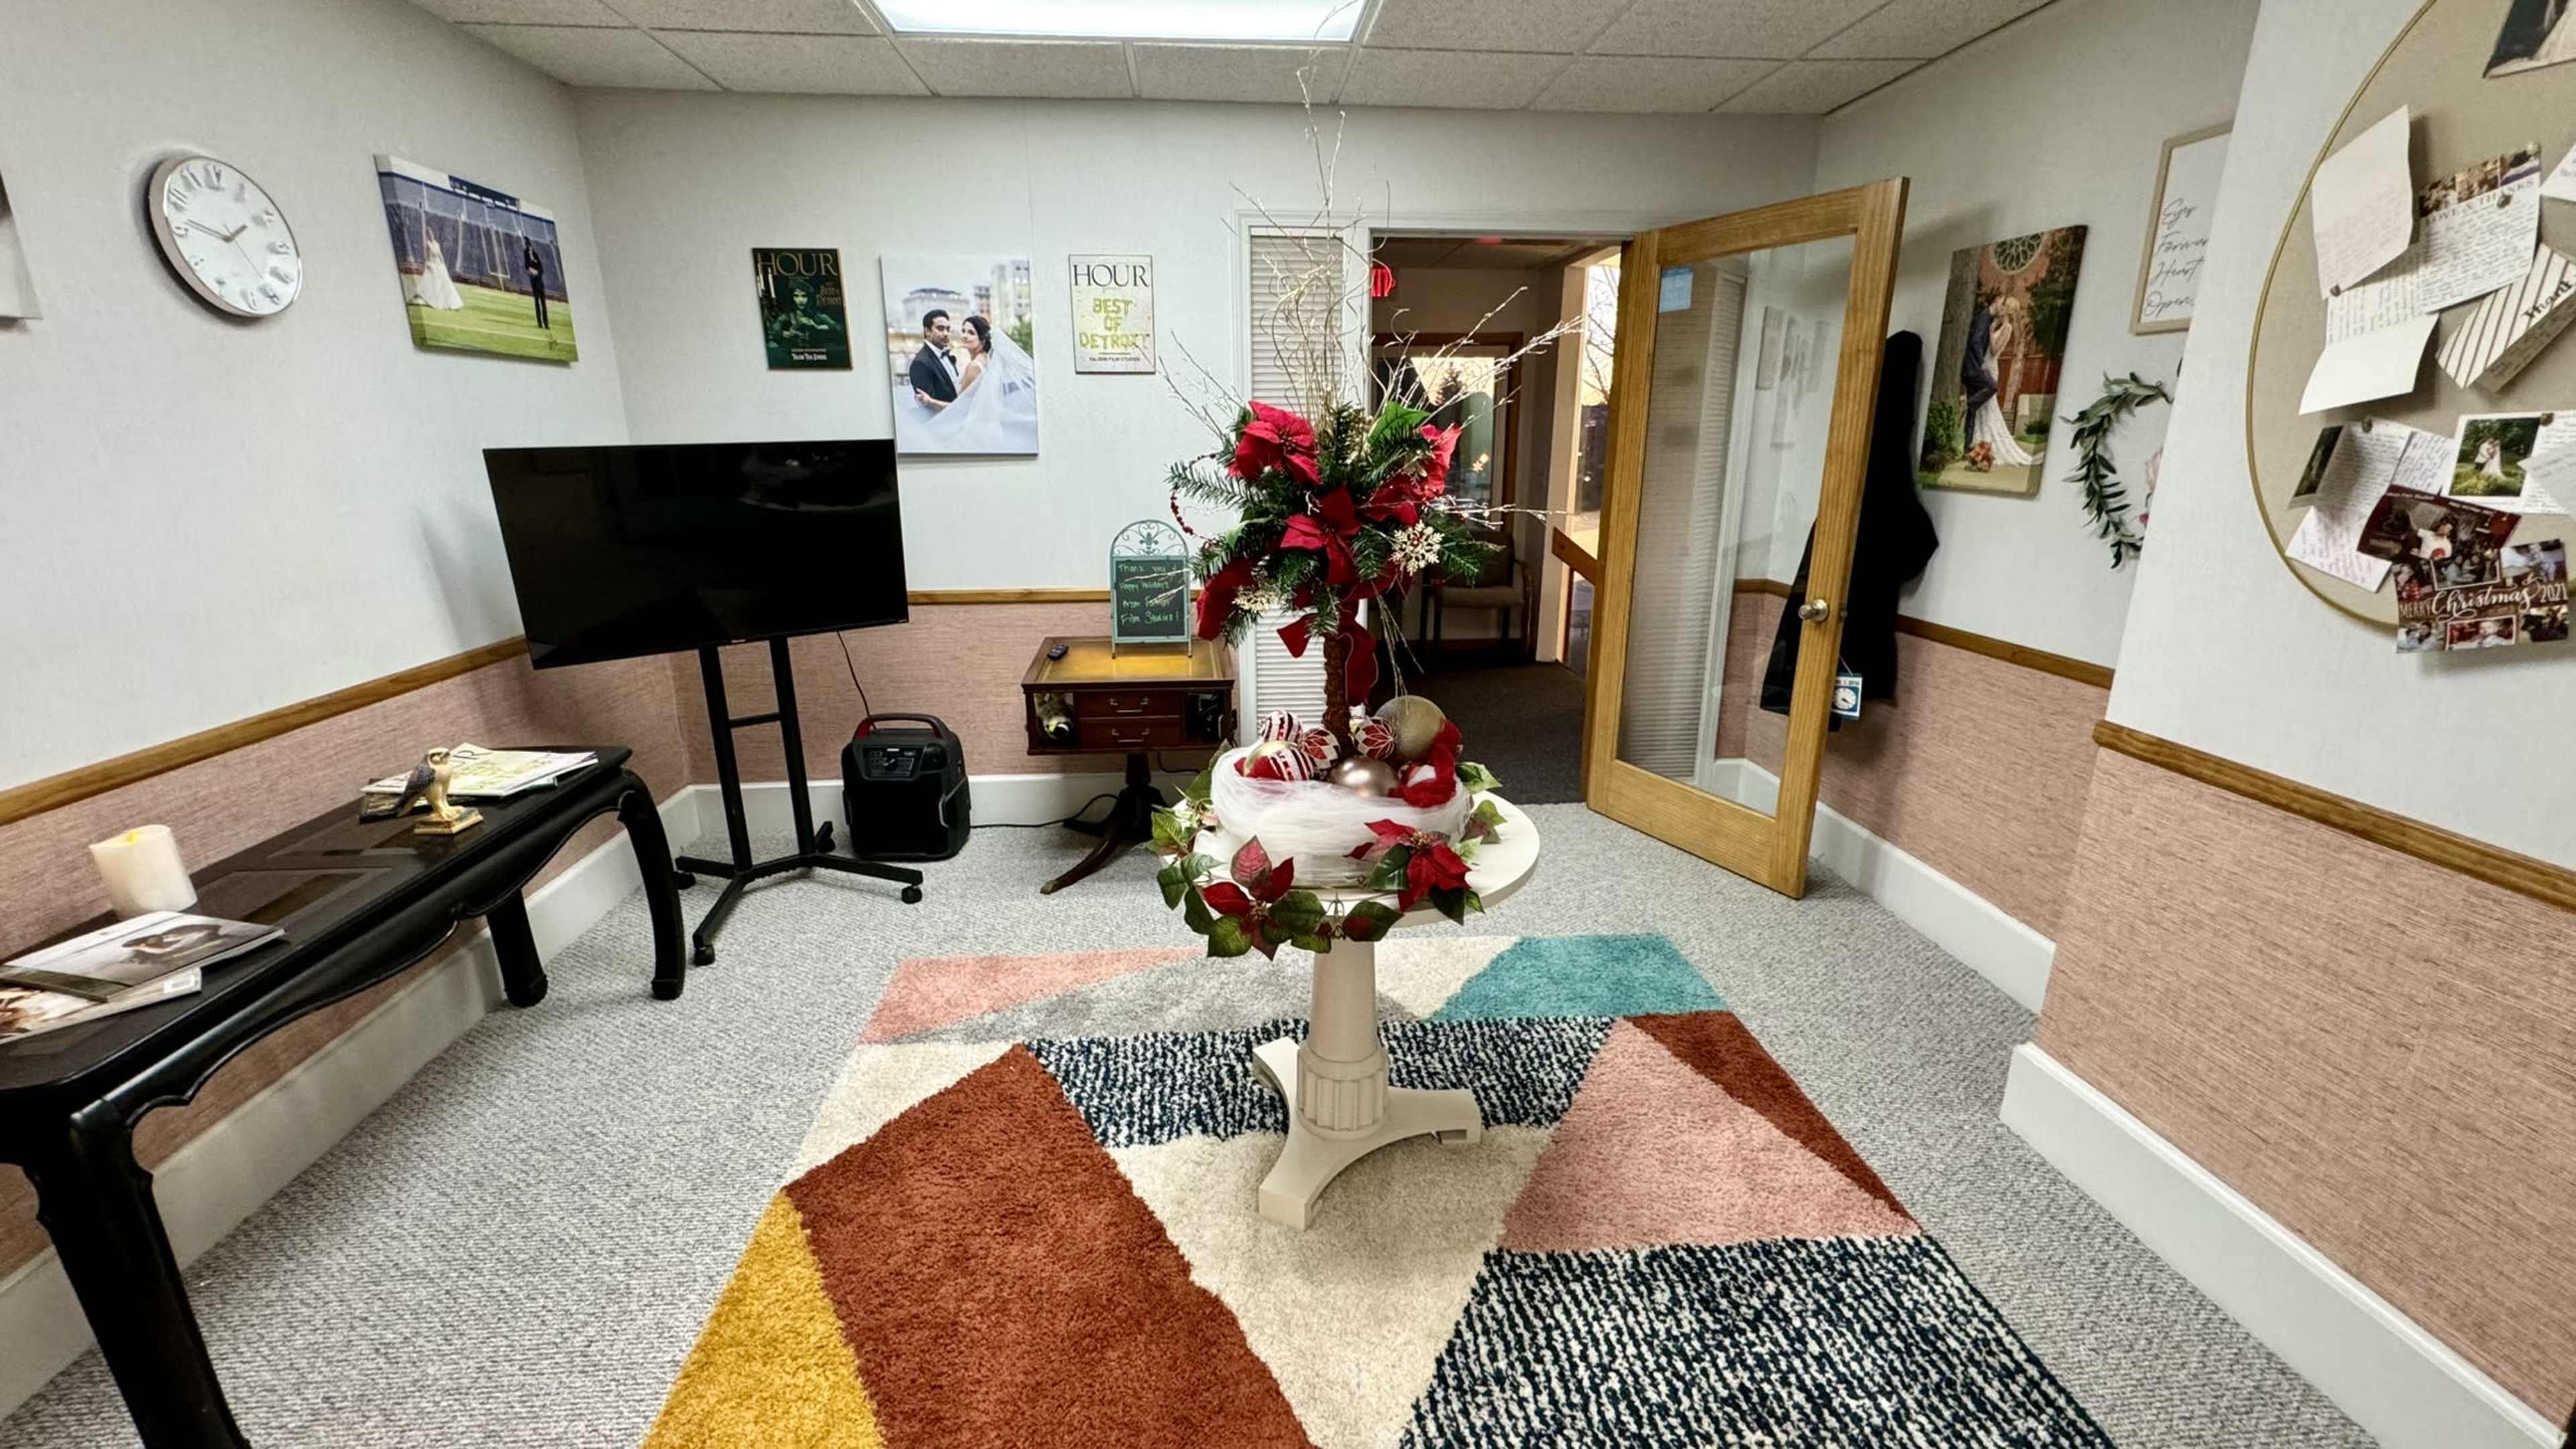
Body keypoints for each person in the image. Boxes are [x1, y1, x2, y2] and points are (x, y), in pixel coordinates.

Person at [912, 313, 1036, 452]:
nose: (965, 336)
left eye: (971, 333)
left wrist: (930, 402)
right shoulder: (988, 362)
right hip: (989, 429)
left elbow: (960, 409)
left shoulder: (975, 366)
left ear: (982, 340)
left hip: (973, 433)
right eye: (964, 331)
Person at [1963, 294, 2037, 468]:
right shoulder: (1998, 324)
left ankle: (1984, 443)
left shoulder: (2008, 328)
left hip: (1990, 367)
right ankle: (1975, 444)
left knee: (1988, 405)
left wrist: (1989, 331)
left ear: (2008, 312)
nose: (2002, 311)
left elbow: (1995, 350)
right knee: (1982, 409)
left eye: (2005, 309)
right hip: (1984, 366)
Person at [908, 309, 960, 411]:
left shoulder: (946, 355)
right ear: (927, 331)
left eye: (948, 329)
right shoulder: (921, 363)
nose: (946, 334)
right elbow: (928, 408)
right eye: (940, 329)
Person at [409, 223, 464, 311]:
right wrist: (427, 264)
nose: (431, 235)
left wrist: (443, 264)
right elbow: (426, 256)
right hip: (433, 265)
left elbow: (440, 255)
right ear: (427, 236)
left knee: (445, 283)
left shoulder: (436, 244)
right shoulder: (428, 244)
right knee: (432, 282)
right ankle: (423, 298)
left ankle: (452, 303)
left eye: (432, 234)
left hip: (439, 265)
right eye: (429, 234)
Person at [523, 241, 550, 331]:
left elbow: (541, 269)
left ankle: (546, 324)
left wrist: (537, 272)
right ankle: (540, 323)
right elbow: (527, 268)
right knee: (537, 303)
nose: (530, 249)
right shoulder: (527, 256)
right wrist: (531, 272)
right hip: (534, 283)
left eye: (530, 247)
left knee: (543, 304)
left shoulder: (535, 255)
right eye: (528, 247)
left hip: (540, 283)